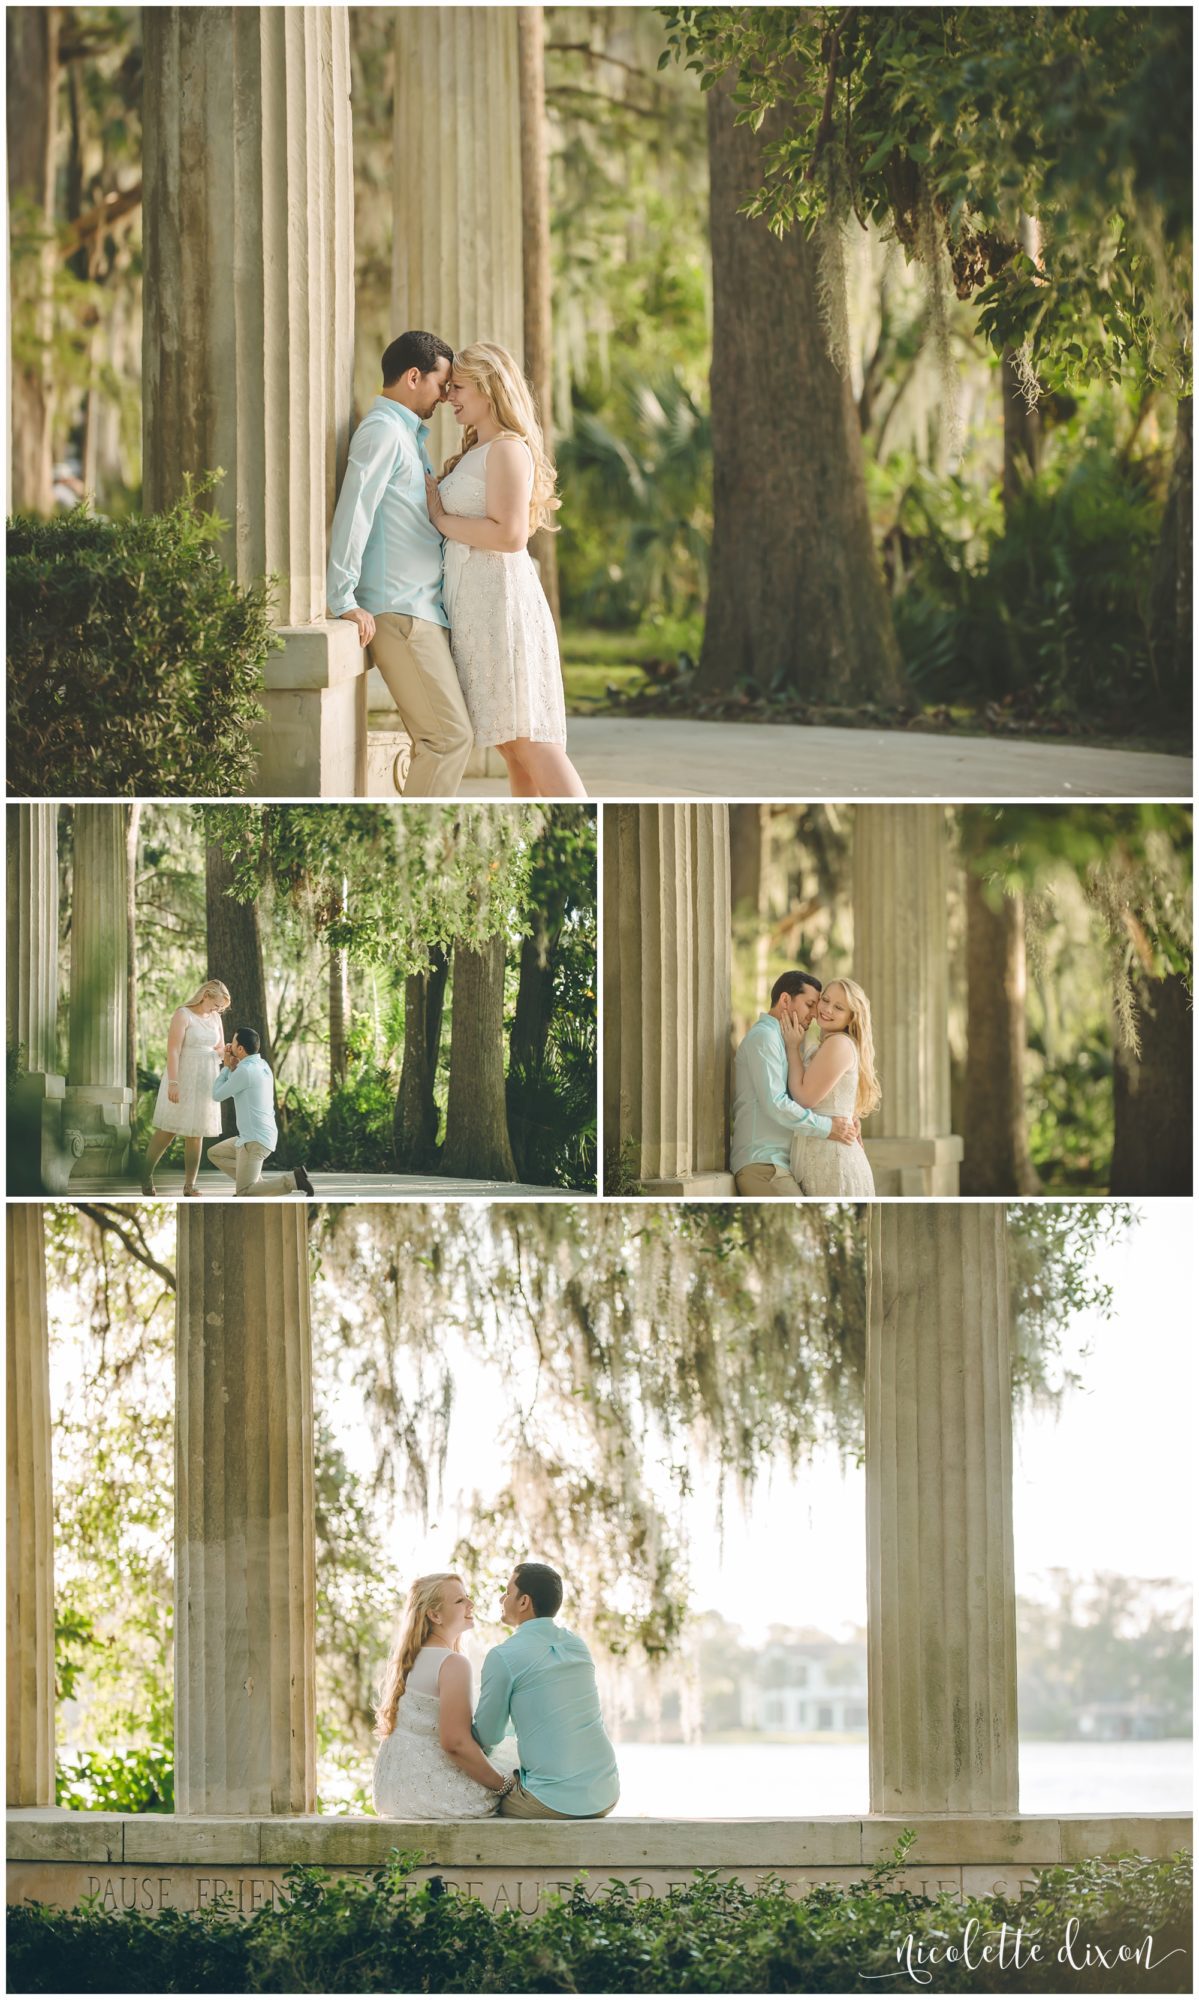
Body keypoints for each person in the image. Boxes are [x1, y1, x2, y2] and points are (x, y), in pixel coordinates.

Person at [425, 342, 587, 800]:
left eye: (457, 387)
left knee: (532, 743)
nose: (449, 397)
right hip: (476, 607)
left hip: (502, 607)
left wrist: (441, 519)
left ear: (489, 388)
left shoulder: (508, 450)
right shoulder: (480, 449)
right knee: (513, 748)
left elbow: (511, 535)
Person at [326, 329, 475, 797]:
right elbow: (355, 511)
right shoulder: (383, 432)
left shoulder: (407, 435)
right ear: (414, 376)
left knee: (442, 738)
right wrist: (342, 597)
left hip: (422, 610)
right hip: (401, 611)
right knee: (448, 739)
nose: (447, 395)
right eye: (441, 383)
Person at [473, 1562, 619, 1819]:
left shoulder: (503, 1656)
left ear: (523, 1602)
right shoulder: (577, 1646)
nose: (501, 1598)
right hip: (605, 1793)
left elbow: (487, 1735)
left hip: (551, 1802)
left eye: (507, 1592)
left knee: (478, 1801)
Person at [373, 1573, 513, 1820]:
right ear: (434, 1615)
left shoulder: (408, 1661)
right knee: (517, 1761)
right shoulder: (452, 1663)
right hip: (432, 1794)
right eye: (460, 1601)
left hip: (390, 1793)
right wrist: (501, 1785)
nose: (471, 1605)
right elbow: (455, 1743)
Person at [730, 971, 859, 1197]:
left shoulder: (787, 1041)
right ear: (785, 1000)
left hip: (781, 1166)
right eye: (810, 1004)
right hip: (764, 1164)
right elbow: (776, 1104)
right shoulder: (765, 1038)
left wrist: (849, 1117)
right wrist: (829, 1127)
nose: (815, 1013)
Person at [785, 978, 878, 1197]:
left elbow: (805, 1098)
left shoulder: (839, 1043)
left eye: (838, 1007)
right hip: (822, 1149)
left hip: (833, 1157)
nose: (827, 1009)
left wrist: (792, 1048)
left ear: (851, 1016)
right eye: (825, 1000)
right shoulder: (828, 1043)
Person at [141, 978, 230, 1197]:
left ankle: (190, 1185)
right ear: (206, 995)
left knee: (196, 1132)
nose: (219, 1009)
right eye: (217, 1004)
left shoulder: (216, 1018)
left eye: (221, 1007)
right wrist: (174, 1082)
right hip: (183, 1073)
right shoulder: (183, 1014)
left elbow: (218, 1047)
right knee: (169, 1129)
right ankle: (145, 1175)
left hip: (206, 1076)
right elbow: (173, 1050)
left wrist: (223, 1053)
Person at [208, 1029, 313, 1198]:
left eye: (233, 1042)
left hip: (254, 1140)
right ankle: (254, 1182)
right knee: (214, 1153)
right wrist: (233, 1066)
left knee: (244, 1192)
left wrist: (227, 1068)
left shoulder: (245, 1071)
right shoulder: (262, 1065)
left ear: (240, 1049)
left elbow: (217, 1095)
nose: (229, 1045)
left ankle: (293, 1180)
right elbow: (242, 1087)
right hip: (256, 1135)